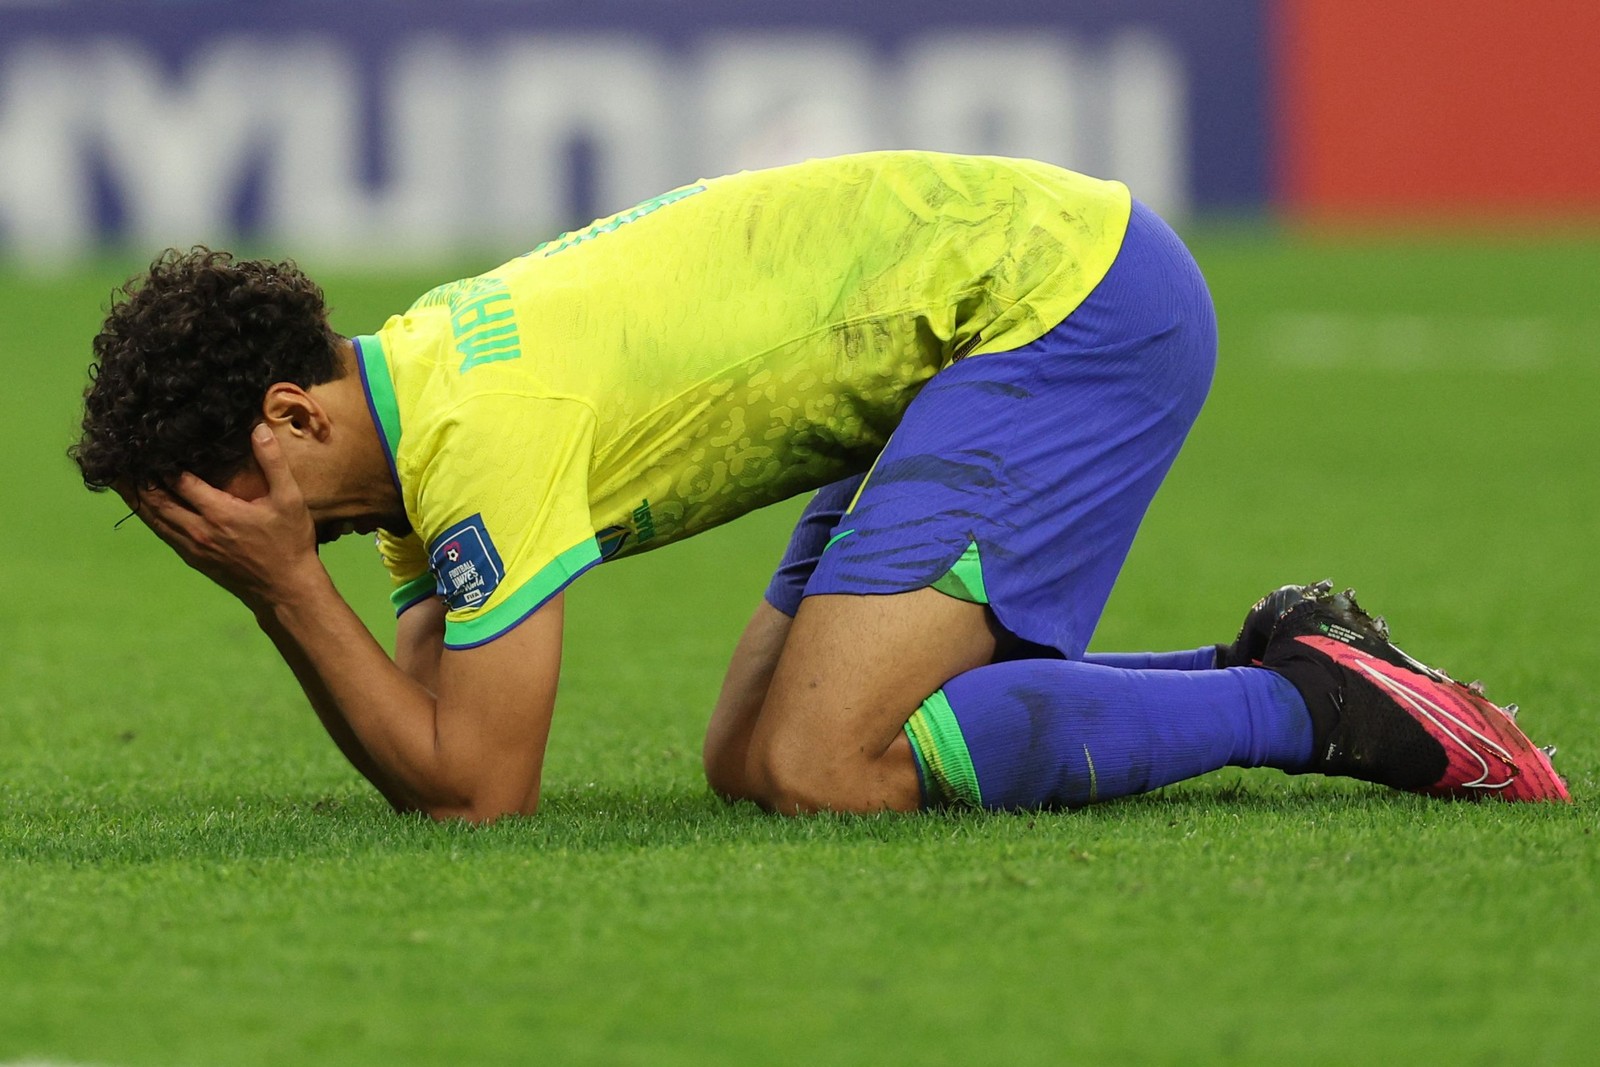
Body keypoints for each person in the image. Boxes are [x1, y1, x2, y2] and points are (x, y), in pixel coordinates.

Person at [70, 151, 1570, 821]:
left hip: (1067, 304)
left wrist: (283, 590)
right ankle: (1287, 654)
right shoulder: (420, 407)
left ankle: (1314, 709)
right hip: (971, 327)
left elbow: (480, 795)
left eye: (211, 505)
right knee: (753, 763)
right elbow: (436, 723)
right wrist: (302, 586)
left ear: (285, 415)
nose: (223, 539)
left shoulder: (483, 423)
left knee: (824, 765)